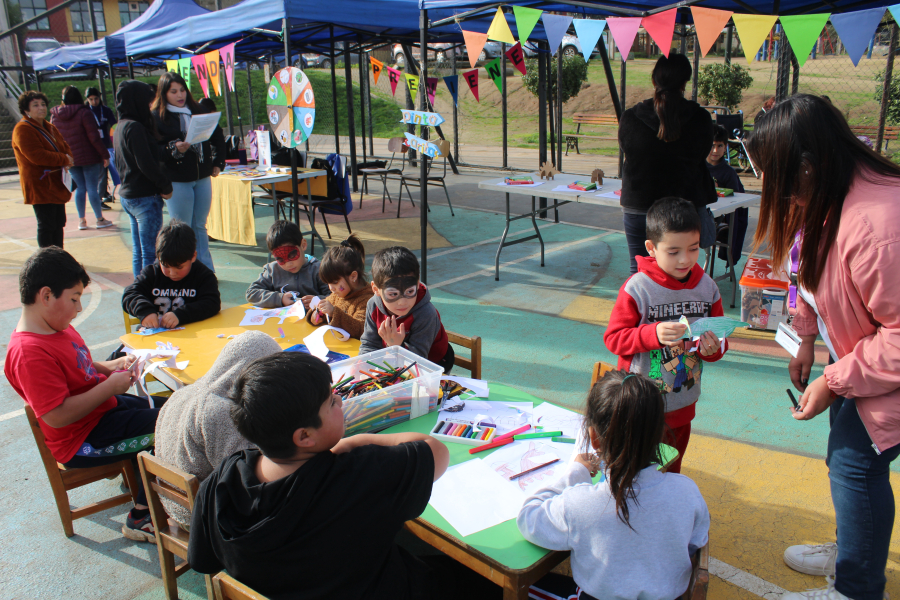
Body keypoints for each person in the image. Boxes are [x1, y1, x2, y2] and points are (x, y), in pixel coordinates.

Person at [747, 94, 900, 600]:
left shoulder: (877, 226)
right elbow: (807, 272)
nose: (779, 192)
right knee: (845, 459)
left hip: (882, 361)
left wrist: (834, 382)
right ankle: (848, 549)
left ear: (808, 168)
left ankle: (855, 588)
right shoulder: (824, 193)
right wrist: (806, 340)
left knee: (857, 465)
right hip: (860, 354)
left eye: (780, 176)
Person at [187, 352, 451, 599]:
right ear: (304, 436)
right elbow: (436, 451)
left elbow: (202, 560)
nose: (341, 400)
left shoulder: (222, 479)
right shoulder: (357, 474)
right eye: (331, 401)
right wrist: (354, 442)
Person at [3, 247, 162, 542]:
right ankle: (141, 516)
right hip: (82, 440)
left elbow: (81, 365)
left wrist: (109, 367)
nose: (78, 309)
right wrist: (109, 386)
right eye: (74, 299)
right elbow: (56, 415)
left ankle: (139, 475)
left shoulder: (55, 327)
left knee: (174, 407)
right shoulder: (29, 353)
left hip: (103, 412)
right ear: (46, 295)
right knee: (168, 427)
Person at [518, 371, 710, 600]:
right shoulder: (687, 492)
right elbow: (696, 543)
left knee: (506, 585)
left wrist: (577, 472)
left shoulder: (581, 503)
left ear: (594, 439)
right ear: (660, 433)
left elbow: (528, 518)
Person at [603, 197, 727, 473]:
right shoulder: (638, 288)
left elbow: (720, 338)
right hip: (638, 405)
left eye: (693, 249)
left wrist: (713, 348)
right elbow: (614, 338)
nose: (685, 259)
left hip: (682, 404)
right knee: (632, 472)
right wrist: (652, 334)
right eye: (673, 252)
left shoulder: (707, 288)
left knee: (669, 472)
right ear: (651, 247)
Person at [154, 330, 281, 529]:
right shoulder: (223, 413)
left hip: (174, 503)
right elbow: (246, 477)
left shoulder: (183, 393)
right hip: (202, 518)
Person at [617, 54, 717, 274]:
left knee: (641, 272)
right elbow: (703, 153)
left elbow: (628, 151)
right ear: (685, 83)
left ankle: (640, 310)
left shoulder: (631, 117)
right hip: (685, 207)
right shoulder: (700, 118)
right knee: (682, 272)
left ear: (654, 80)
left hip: (639, 203)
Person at [152, 72, 226, 272]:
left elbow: (218, 136)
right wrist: (173, 148)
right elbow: (155, 151)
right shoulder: (157, 117)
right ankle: (184, 270)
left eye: (182, 90)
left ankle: (206, 271)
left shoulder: (198, 110)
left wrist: (219, 161)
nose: (179, 95)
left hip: (201, 177)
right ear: (164, 93)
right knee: (182, 228)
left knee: (200, 226)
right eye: (173, 91)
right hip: (177, 180)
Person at [359, 246, 454, 373]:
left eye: (410, 291)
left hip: (433, 365)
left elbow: (418, 363)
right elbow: (369, 344)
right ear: (376, 289)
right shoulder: (373, 305)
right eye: (393, 294)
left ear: (418, 283)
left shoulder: (426, 313)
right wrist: (362, 367)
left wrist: (396, 346)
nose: (403, 302)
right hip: (393, 361)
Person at [115, 80, 173, 278]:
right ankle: (149, 291)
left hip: (128, 195)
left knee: (139, 251)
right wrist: (165, 185)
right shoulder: (135, 127)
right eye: (147, 101)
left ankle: (139, 288)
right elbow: (146, 163)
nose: (150, 106)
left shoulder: (121, 126)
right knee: (150, 251)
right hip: (144, 196)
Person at [122, 220, 220, 330]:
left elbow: (212, 303)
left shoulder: (204, 276)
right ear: (158, 258)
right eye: (165, 266)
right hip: (155, 337)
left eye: (179, 267)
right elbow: (129, 294)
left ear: (193, 256)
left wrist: (181, 315)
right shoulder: (151, 273)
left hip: (192, 334)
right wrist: (145, 312)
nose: (172, 273)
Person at [11, 90, 73, 248]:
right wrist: (64, 159)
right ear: (26, 110)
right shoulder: (23, 129)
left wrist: (68, 157)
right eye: (35, 105)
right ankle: (47, 262)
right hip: (40, 185)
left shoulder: (49, 126)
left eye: (43, 104)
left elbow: (64, 146)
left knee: (59, 223)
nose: (41, 108)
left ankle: (59, 256)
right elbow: (37, 156)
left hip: (56, 183)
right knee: (47, 225)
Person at [50, 86, 113, 230]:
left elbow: (55, 138)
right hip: (89, 156)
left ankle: (82, 220)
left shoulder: (55, 115)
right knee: (92, 187)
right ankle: (99, 218)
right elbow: (94, 137)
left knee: (79, 187)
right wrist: (104, 154)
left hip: (70, 157)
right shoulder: (85, 113)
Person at [246, 220, 330, 308]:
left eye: (292, 255)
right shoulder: (272, 270)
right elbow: (251, 293)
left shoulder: (319, 270)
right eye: (280, 259)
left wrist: (317, 301)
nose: (288, 264)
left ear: (303, 245)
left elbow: (337, 297)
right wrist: (280, 298)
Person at [307, 234, 374, 339]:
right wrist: (317, 314)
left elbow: (361, 329)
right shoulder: (338, 294)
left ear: (353, 276)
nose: (331, 288)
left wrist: (333, 312)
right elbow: (326, 307)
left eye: (335, 282)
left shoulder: (368, 299)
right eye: (328, 283)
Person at [707, 124, 747, 262]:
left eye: (720, 146)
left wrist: (718, 191)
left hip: (719, 219)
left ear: (725, 147)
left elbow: (735, 201)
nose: (715, 150)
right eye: (712, 145)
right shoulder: (697, 167)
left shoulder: (729, 173)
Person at [84, 87, 117, 209]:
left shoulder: (105, 110)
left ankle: (104, 193)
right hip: (92, 146)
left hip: (106, 144)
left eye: (96, 99)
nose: (94, 102)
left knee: (108, 170)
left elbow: (114, 124)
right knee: (101, 173)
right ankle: (98, 199)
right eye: (91, 99)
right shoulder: (86, 111)